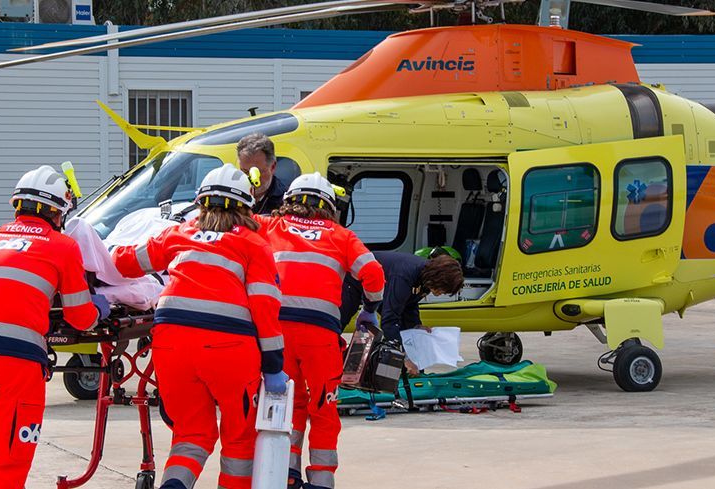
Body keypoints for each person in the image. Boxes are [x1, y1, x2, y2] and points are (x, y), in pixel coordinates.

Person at [112, 164, 287, 489]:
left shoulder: (179, 233)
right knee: (239, 441)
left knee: (190, 435)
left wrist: (94, 253)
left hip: (170, 343)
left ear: (201, 202)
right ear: (247, 206)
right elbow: (265, 309)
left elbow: (126, 261)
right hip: (229, 349)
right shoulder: (254, 244)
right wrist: (274, 365)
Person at [0, 165, 108, 488]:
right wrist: (100, 308)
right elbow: (81, 317)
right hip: (16, 359)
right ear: (58, 212)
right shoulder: (63, 246)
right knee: (13, 460)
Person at [254, 173, 385, 489]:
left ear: (288, 201)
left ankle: (287, 472)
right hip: (320, 335)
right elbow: (373, 274)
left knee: (287, 403)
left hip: (276, 332)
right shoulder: (342, 236)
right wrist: (369, 312)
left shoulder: (268, 225)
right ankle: (322, 481)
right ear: (329, 206)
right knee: (324, 408)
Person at [339, 252, 464, 373]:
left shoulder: (425, 277)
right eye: (442, 290)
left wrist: (416, 326)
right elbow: (389, 320)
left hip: (382, 284)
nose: (440, 294)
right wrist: (404, 358)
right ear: (438, 278)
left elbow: (409, 305)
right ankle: (329, 362)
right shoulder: (404, 276)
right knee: (339, 322)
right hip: (353, 279)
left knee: (407, 333)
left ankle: (410, 371)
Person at [237, 133, 289, 214]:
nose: (250, 179)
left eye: (257, 173)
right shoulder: (230, 197)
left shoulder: (286, 202)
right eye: (245, 171)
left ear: (272, 167)